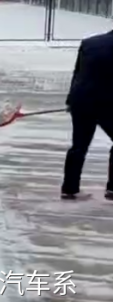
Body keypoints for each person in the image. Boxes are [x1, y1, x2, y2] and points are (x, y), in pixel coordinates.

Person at [61, 29, 113, 200]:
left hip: (81, 99)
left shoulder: (89, 43)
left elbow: (77, 72)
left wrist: (70, 100)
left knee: (79, 146)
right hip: (107, 101)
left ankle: (69, 189)